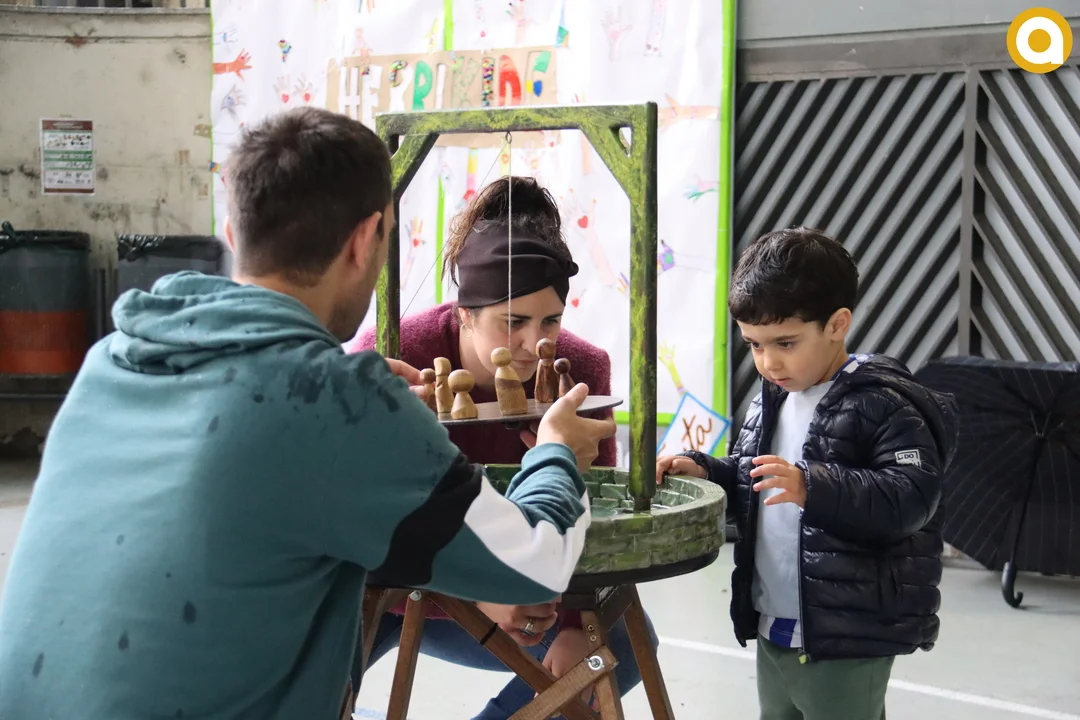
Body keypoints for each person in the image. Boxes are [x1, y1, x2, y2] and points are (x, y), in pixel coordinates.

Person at [0, 107, 616, 720]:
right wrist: (555, 450)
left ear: (233, 234)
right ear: (365, 240)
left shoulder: (112, 361)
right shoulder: (339, 401)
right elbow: (536, 562)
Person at [344, 176, 657, 719]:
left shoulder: (580, 371)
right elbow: (356, 522)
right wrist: (476, 587)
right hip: (398, 586)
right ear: (464, 312)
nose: (536, 342)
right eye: (512, 322)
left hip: (519, 597)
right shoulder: (394, 354)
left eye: (551, 320)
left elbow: (598, 519)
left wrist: (573, 620)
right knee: (314, 629)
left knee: (622, 645)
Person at [656, 227, 958, 720]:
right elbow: (758, 478)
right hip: (775, 615)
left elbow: (911, 497)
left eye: (785, 342)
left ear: (837, 324)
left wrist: (813, 485)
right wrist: (708, 470)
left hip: (845, 631)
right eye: (754, 345)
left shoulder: (884, 404)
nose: (768, 361)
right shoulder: (774, 398)